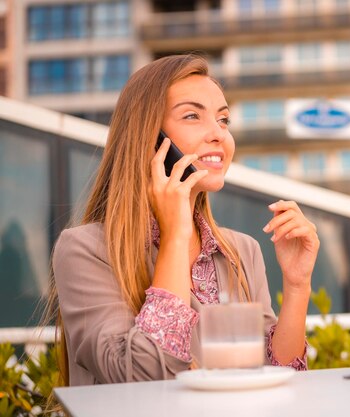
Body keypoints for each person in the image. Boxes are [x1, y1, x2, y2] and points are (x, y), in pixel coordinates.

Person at [50, 54, 320, 386]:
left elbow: (278, 379)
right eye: (193, 116)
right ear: (149, 140)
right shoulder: (85, 249)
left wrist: (296, 286)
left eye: (224, 120)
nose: (218, 134)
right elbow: (143, 374)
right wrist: (175, 235)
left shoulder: (241, 251)